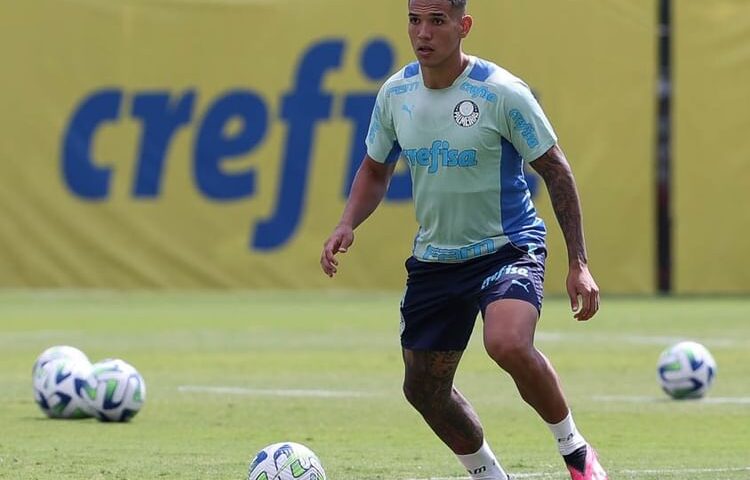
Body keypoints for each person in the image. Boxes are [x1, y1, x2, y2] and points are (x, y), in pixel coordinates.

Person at [320, 1, 608, 479]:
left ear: (463, 26)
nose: (423, 32)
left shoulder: (501, 93)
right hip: (436, 260)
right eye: (415, 20)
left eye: (437, 20)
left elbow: (556, 170)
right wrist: (347, 222)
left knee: (508, 342)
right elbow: (375, 169)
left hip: (507, 246)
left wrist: (579, 262)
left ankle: (576, 452)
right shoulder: (396, 93)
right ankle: (489, 474)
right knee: (423, 392)